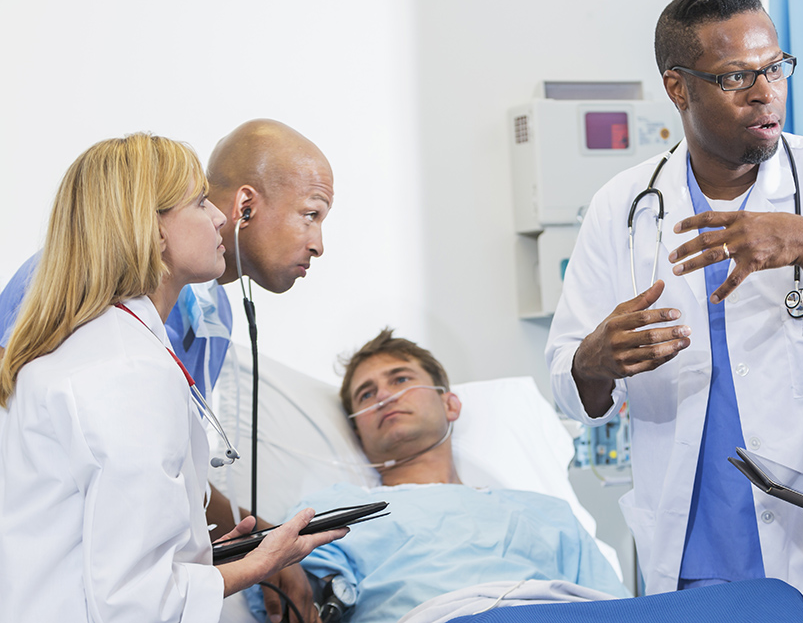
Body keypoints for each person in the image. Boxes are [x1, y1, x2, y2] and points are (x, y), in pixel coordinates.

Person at [546, 0, 803, 595]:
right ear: (677, 87)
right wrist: (594, 362)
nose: (765, 93)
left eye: (775, 68)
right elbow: (572, 395)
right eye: (735, 77)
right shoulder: (623, 207)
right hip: (695, 551)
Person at [0, 133, 344, 622]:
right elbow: (136, 601)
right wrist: (259, 563)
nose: (220, 217)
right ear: (155, 229)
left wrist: (196, 547)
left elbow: (125, 499)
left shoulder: (149, 339)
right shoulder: (125, 367)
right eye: (202, 203)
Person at [257, 329, 627, 623]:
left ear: (450, 404)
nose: (384, 396)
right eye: (366, 395)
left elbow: (617, 610)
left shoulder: (548, 513)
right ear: (358, 434)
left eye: (400, 379)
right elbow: (293, 592)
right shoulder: (336, 509)